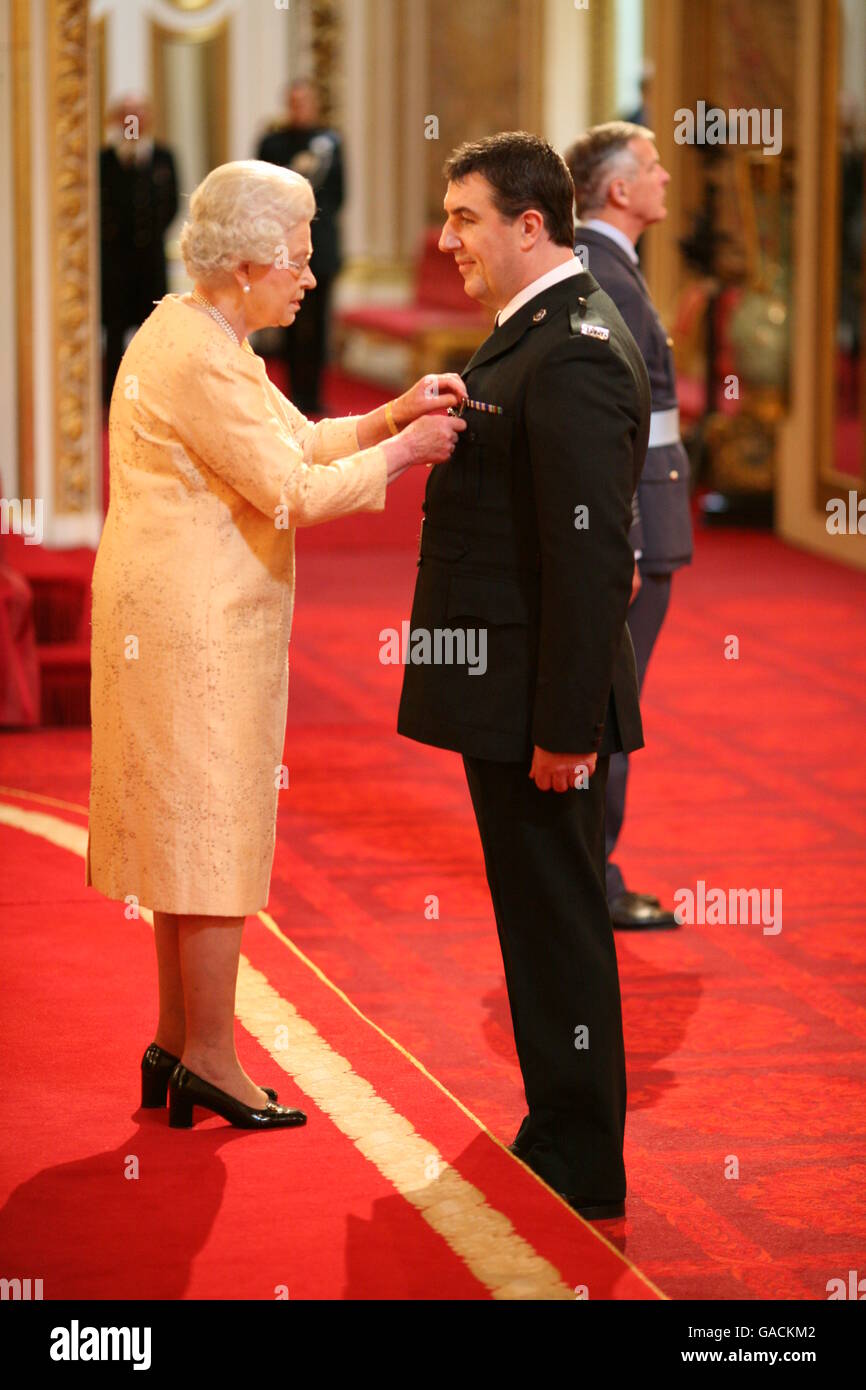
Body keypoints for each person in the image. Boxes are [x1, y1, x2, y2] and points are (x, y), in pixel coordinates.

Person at [85, 159, 466, 1132]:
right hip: (192, 629)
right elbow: (290, 491)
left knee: (184, 829)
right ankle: (209, 1053)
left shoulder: (196, 331)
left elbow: (294, 440)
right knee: (208, 832)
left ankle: (177, 1039)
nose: (308, 275)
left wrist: (389, 413)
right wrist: (409, 452)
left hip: (174, 618)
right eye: (295, 260)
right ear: (249, 262)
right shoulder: (200, 352)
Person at [397, 132, 650, 1220]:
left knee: (555, 922)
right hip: (508, 693)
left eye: (464, 218)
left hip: (538, 707)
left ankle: (584, 1155)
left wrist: (563, 728)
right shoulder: (534, 334)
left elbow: (592, 565)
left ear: (529, 224)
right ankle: (553, 1126)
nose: (448, 237)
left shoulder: (577, 345)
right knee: (534, 917)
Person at [566, 122, 694, 930]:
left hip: (644, 519)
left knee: (608, 707)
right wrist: (632, 540)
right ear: (618, 189)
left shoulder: (607, 265)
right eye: (651, 168)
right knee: (610, 711)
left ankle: (588, 873)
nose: (666, 178)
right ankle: (594, 881)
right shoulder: (601, 271)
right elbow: (607, 424)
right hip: (638, 526)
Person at [257, 79, 344, 415]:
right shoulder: (272, 143)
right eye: (294, 102)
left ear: (315, 104)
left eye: (305, 101)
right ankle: (292, 397)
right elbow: (261, 191)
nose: (299, 108)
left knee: (318, 325)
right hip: (283, 246)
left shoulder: (331, 143)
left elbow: (339, 195)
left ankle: (314, 395)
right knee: (290, 322)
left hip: (322, 247)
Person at [99, 97, 178, 404]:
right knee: (115, 331)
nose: (133, 121)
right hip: (116, 262)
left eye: (138, 114)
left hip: (151, 261)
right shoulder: (105, 159)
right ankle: (114, 395)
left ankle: (152, 392)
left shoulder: (162, 157)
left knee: (153, 331)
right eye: (126, 115)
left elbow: (171, 202)